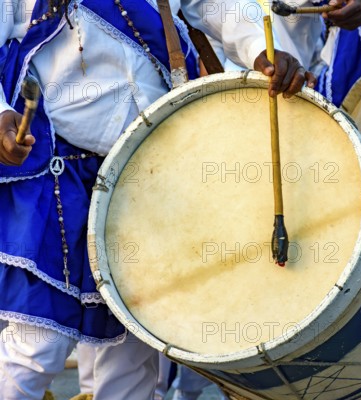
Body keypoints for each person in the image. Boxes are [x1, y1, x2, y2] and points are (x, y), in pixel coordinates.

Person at [0, 0, 313, 398]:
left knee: (135, 345)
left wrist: (258, 50)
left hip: (149, 170)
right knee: (38, 346)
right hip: (61, 175)